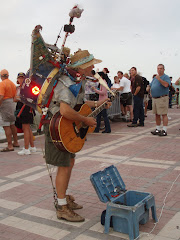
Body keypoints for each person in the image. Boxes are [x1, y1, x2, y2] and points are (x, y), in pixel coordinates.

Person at [44, 49, 111, 222]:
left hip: (64, 126)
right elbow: (66, 110)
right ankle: (61, 207)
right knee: (64, 166)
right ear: (82, 67)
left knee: (69, 163)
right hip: (58, 127)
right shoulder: (67, 82)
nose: (94, 67)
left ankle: (63, 198)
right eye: (91, 64)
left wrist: (98, 103)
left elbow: (78, 104)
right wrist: (85, 120)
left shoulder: (77, 80)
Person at [14, 72, 36, 155]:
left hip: (26, 108)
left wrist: (20, 98)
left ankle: (26, 148)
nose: (21, 79)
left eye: (22, 78)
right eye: (19, 78)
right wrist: (20, 98)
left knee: (26, 128)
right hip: (21, 107)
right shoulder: (18, 88)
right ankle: (32, 146)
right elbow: (14, 98)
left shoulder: (27, 87)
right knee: (27, 128)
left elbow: (28, 97)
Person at [147, 64, 171, 136]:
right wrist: (148, 88)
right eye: (158, 68)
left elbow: (166, 85)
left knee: (164, 114)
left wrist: (159, 79)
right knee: (156, 114)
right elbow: (150, 85)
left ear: (164, 69)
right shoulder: (155, 78)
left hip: (162, 98)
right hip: (155, 98)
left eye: (161, 68)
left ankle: (164, 130)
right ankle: (157, 129)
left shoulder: (165, 77)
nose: (159, 70)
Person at [0, 69, 19, 152]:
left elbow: (1, 96)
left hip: (5, 104)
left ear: (1, 76)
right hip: (12, 104)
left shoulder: (2, 84)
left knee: (6, 125)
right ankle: (16, 142)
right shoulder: (12, 84)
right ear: (8, 75)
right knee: (12, 124)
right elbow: (15, 96)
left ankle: (10, 145)